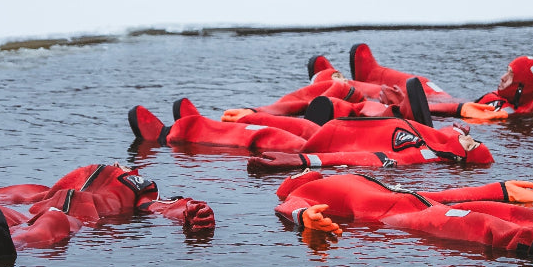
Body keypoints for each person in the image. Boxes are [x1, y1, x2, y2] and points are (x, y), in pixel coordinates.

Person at [0, 162, 215, 260]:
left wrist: (191, 211)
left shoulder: (141, 194)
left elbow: (166, 207)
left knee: (54, 220)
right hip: (33, 209)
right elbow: (4, 193)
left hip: (81, 220)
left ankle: (1, 246)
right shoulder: (66, 183)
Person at [273, 170, 533, 260]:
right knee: (475, 223)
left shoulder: (347, 177)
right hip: (396, 220)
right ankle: (530, 245)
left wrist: (497, 190)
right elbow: (288, 208)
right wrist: (303, 217)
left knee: (500, 210)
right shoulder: (300, 191)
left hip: (421, 203)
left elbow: (435, 194)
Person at [128, 92, 494, 171]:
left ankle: (167, 136)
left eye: (470, 143)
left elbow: (368, 158)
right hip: (331, 129)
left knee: (260, 136)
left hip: (323, 143)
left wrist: (304, 159)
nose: (469, 135)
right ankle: (201, 121)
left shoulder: (425, 153)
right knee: (282, 121)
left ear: (461, 155)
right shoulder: (441, 136)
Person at [313, 44, 533, 122]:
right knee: (421, 81)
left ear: (522, 88)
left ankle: (331, 80)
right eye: (506, 71)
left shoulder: (502, 112)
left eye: (510, 76)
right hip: (450, 99)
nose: (503, 77)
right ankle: (371, 72)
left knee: (392, 92)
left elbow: (462, 115)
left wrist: (410, 103)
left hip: (443, 107)